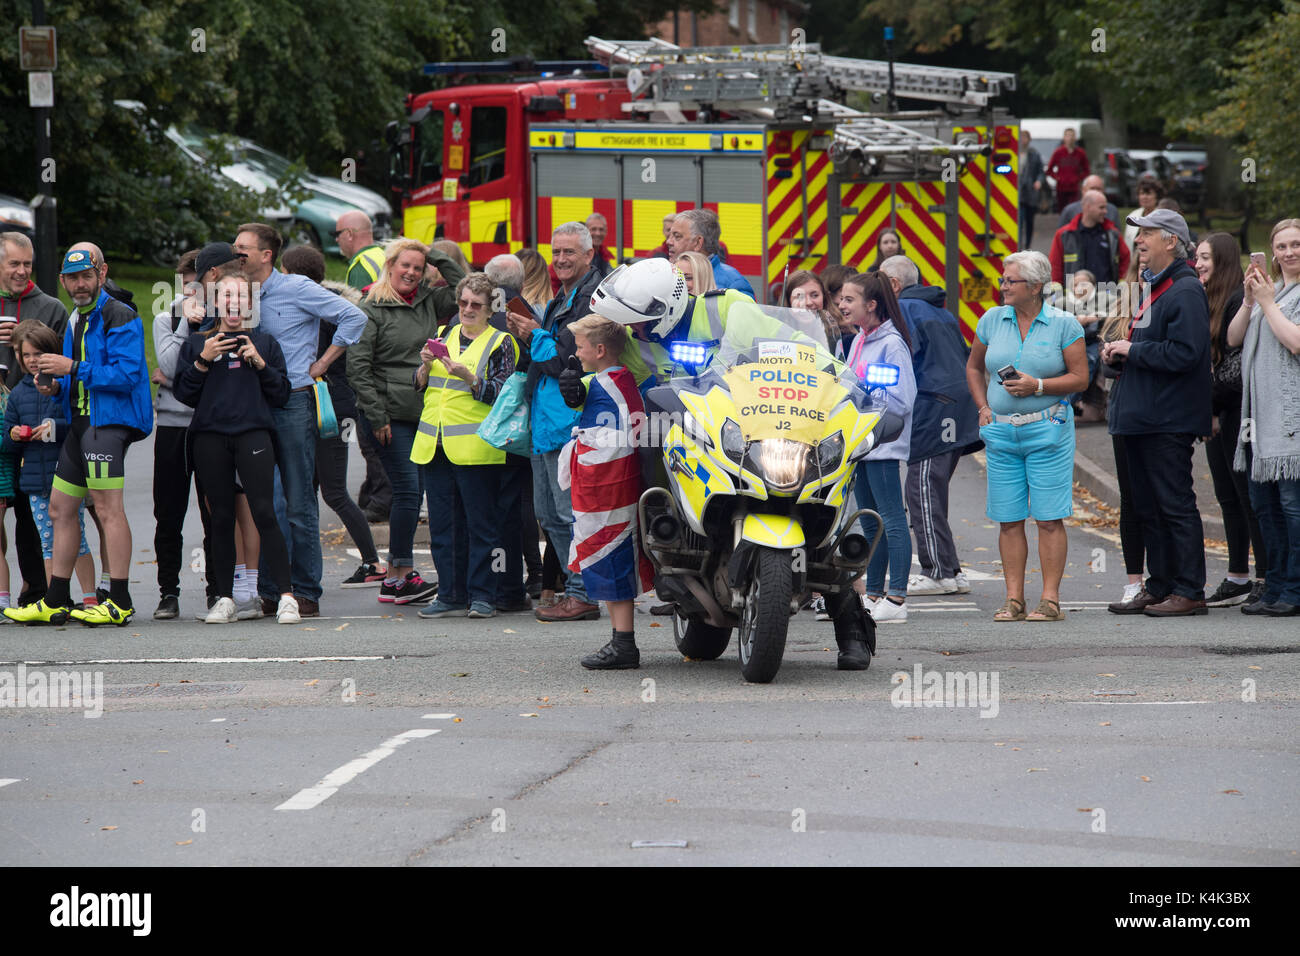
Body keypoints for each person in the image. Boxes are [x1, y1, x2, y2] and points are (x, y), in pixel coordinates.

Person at [6, 246, 153, 626]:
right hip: (81, 425)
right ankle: (56, 599)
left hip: (108, 425)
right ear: (63, 280)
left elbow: (127, 376)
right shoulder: (74, 317)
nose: (80, 284)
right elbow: (76, 379)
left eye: (87, 275)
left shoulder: (120, 314)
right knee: (59, 509)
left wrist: (72, 366)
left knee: (107, 509)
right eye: (72, 278)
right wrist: (56, 388)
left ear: (102, 274)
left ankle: (118, 600)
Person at [233, 222, 367, 618]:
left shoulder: (297, 289)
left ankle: (306, 590)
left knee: (298, 500)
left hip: (292, 400)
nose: (236, 253)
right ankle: (274, 590)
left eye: (243, 248)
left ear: (266, 255)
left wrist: (321, 364)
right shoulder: (239, 292)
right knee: (266, 500)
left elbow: (353, 317)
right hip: (253, 403)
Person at [966, 250, 1088, 623]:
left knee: (1049, 518)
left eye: (1010, 281)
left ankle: (1050, 600)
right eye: (1003, 280)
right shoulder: (991, 320)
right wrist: (982, 407)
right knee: (1008, 519)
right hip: (1002, 434)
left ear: (1035, 287)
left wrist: (1037, 385)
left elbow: (1080, 378)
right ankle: (1013, 599)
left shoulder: (1064, 325)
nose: (1003, 286)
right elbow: (972, 367)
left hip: (1047, 431)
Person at [1101, 208, 1212, 616]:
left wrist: (1133, 350)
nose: (1139, 241)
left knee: (1174, 504)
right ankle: (1161, 584)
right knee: (1147, 505)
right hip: (1141, 416)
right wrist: (1118, 354)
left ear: (1171, 240)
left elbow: (1187, 353)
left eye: (1147, 233)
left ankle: (1189, 590)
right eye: (1139, 234)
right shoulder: (1155, 287)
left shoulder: (1184, 290)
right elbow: (1150, 348)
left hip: (1167, 420)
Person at [173, 269, 299, 624]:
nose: (233, 304)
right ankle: (225, 598)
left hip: (253, 435)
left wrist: (260, 365)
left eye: (240, 297)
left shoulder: (266, 343)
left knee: (264, 511)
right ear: (215, 301)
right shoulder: (199, 342)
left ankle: (286, 595)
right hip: (210, 437)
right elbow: (184, 394)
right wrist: (203, 360)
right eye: (226, 297)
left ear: (250, 303)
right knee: (221, 517)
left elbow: (283, 393)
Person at [506, 222, 605, 623]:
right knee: (549, 516)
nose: (561, 260)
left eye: (569, 253)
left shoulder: (590, 299)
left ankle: (583, 593)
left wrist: (532, 334)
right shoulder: (563, 296)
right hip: (546, 422)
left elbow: (564, 361)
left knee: (569, 514)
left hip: (569, 421)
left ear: (588, 255)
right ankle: (573, 589)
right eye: (556, 252)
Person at [349, 238, 455, 605]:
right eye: (404, 265)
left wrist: (434, 253)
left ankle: (395, 577)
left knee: (414, 492)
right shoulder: (372, 308)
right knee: (408, 492)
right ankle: (401, 573)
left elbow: (463, 288)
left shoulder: (428, 299)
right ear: (390, 266)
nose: (411, 273)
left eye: (418, 267)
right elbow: (358, 368)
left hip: (421, 412)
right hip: (388, 416)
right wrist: (377, 416)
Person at [280, 244, 387, 591]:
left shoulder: (315, 311)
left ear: (292, 275)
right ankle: (304, 565)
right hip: (339, 405)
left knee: (333, 491)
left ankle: (372, 562)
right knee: (312, 487)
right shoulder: (334, 305)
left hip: (328, 405)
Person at [413, 273, 519, 619]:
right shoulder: (444, 334)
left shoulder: (500, 341)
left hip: (476, 447)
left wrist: (470, 377)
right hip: (436, 443)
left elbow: (503, 395)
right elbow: (420, 386)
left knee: (481, 526)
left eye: (476, 304)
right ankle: (449, 593)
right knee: (443, 527)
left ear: (490, 309)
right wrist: (424, 368)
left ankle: (482, 595)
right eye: (463, 303)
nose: (468, 309)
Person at [878, 255, 981, 596]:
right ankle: (951, 570)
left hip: (933, 408)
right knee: (932, 491)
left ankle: (937, 571)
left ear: (893, 285)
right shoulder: (940, 310)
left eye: (881, 284)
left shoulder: (904, 310)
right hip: (955, 407)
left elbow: (905, 359)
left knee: (921, 491)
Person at [557, 315, 654, 668]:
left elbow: (618, 442)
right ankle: (620, 641)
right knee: (609, 557)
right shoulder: (617, 380)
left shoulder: (611, 385)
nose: (577, 354)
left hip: (607, 493)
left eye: (580, 347)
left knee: (611, 557)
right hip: (607, 489)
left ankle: (624, 644)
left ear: (599, 350)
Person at [1227, 217, 1300, 616]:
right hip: (1258, 424)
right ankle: (1274, 585)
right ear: (1272, 253)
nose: (1289, 253)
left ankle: (1294, 589)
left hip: (1290, 424)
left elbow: (1295, 343)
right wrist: (1251, 301)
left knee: (1292, 508)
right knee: (1265, 508)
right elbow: (1235, 339)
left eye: (1296, 244)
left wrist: (1270, 304)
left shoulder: (1288, 297)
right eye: (1282, 246)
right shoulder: (1272, 292)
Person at [2, 321, 98, 610]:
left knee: (76, 536)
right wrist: (15, 434)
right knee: (47, 542)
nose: (33, 361)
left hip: (65, 473)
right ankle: (57, 601)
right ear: (18, 356)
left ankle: (90, 597)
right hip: (34, 479)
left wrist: (52, 428)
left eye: (39, 354)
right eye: (27, 355)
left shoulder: (65, 387)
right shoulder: (17, 393)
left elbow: (78, 425)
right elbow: (8, 439)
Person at [841, 272, 917, 622]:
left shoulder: (891, 343)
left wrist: (867, 394)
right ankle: (873, 594)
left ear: (871, 305)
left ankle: (898, 598)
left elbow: (903, 399)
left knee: (892, 520)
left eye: (850, 300)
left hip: (884, 445)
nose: (842, 305)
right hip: (862, 445)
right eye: (841, 299)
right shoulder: (858, 341)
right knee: (870, 523)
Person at [0, 231, 69, 606]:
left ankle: (36, 587)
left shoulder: (51, 308)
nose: (22, 271)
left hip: (32, 417)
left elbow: (58, 370)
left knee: (31, 509)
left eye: (27, 264)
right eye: (14, 264)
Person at [1196, 233, 1264, 607]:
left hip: (1238, 412)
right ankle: (1237, 574)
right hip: (1216, 412)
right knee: (1227, 497)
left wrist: (1213, 408)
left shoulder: (1239, 297)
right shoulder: (1207, 297)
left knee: (1247, 496)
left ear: (1221, 259)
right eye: (1196, 257)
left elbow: (1236, 366)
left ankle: (1264, 576)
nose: (1199, 263)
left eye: (1205, 257)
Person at [150, 248, 216, 619]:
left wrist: (180, 376)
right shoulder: (167, 315)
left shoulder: (227, 314)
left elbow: (197, 374)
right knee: (169, 511)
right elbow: (170, 365)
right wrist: (185, 325)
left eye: (200, 286)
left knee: (214, 511)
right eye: (186, 286)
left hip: (210, 426)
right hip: (173, 426)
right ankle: (168, 592)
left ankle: (216, 589)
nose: (193, 294)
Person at [1097, 254, 1148, 606]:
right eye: (1139, 260)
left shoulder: (1177, 295)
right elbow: (1108, 366)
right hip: (1124, 411)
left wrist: (1134, 352)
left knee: (1159, 499)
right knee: (1130, 500)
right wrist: (1111, 355)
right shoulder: (1125, 300)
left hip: (1158, 412)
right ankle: (1134, 581)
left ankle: (1166, 578)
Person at [666, 209, 756, 299]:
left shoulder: (733, 284)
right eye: (669, 236)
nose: (668, 242)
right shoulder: (665, 276)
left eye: (677, 236)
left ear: (698, 242)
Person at [1049, 189, 1130, 288]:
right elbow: (1055, 266)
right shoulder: (1064, 235)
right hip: (1075, 298)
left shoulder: (1112, 234)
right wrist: (1058, 294)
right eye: (1101, 207)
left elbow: (1126, 259)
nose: (1105, 211)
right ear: (1088, 207)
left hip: (1106, 297)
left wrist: (1122, 281)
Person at [782, 269, 844, 354]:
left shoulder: (842, 335)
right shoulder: (777, 336)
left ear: (824, 298)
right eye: (799, 297)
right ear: (788, 301)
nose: (808, 302)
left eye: (814, 295)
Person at [334, 211, 386, 290]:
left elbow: (356, 302)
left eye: (338, 234)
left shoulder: (360, 268)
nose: (336, 239)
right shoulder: (382, 254)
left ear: (349, 234)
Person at [1046, 127, 1089, 213]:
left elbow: (1086, 170)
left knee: (1074, 209)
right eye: (1068, 136)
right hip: (1061, 187)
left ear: (1075, 138)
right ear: (1064, 138)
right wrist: (1058, 178)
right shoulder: (1058, 152)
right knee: (1062, 210)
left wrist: (1078, 179)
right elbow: (1049, 170)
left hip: (1074, 187)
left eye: (1072, 136)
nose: (1070, 138)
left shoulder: (1080, 153)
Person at [1018, 131, 1047, 249]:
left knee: (1029, 221)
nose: (1023, 140)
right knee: (1019, 220)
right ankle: (1019, 245)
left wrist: (1039, 181)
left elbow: (1041, 171)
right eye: (1021, 137)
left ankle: (1028, 245)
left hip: (1031, 193)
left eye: (1025, 137)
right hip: (1018, 193)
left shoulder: (1034, 154)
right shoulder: (1013, 153)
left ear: (1029, 139)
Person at [1124, 178, 1164, 249]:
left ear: (1157, 196)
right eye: (1142, 193)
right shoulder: (1133, 215)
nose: (1144, 197)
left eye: (1148, 194)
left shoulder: (1163, 217)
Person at [585, 213, 614, 278]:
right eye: (593, 229)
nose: (598, 233)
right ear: (586, 231)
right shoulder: (580, 253)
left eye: (601, 229)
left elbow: (611, 276)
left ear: (606, 232)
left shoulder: (603, 253)